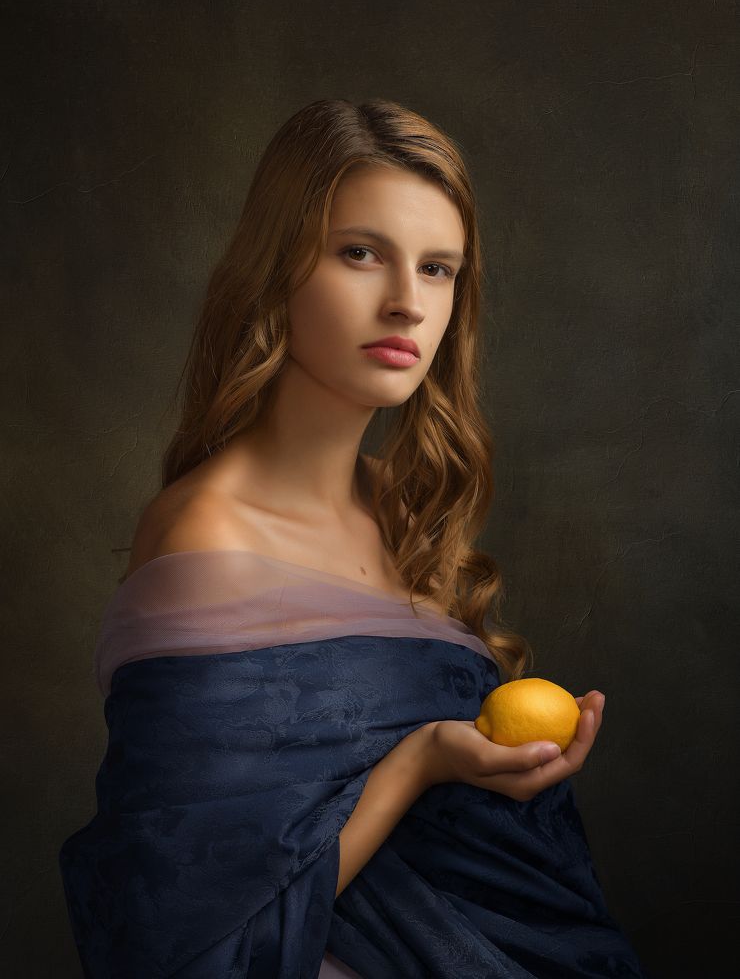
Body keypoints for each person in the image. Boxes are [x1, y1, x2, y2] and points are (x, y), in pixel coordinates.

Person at [59, 98, 649, 978]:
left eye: (440, 268)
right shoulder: (203, 535)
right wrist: (421, 762)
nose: (408, 304)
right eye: (361, 254)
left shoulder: (407, 511)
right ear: (277, 268)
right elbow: (188, 918)